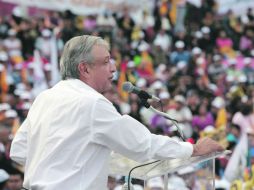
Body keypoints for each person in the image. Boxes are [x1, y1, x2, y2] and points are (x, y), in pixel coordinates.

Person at [9, 35, 224, 190]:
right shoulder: (92, 103)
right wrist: (192, 149)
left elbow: (19, 151)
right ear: (84, 69)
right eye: (105, 62)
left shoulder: (45, 97)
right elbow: (142, 144)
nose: (113, 69)